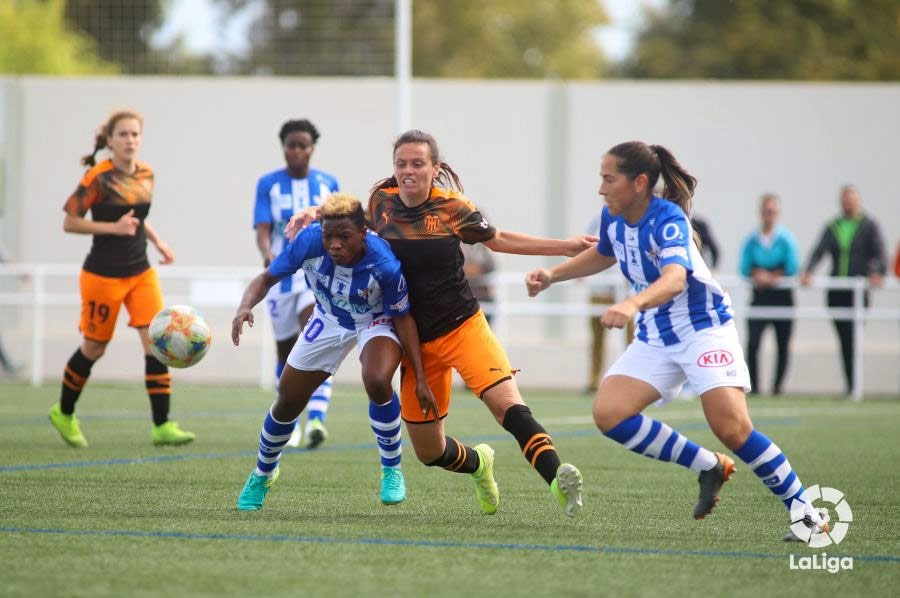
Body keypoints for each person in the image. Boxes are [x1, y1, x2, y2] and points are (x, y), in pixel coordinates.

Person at [526, 141, 829, 541]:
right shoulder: (612, 218)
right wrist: (552, 275)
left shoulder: (667, 217)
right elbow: (604, 253)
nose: (601, 188)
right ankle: (707, 466)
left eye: (608, 178)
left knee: (733, 427)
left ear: (638, 183)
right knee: (609, 413)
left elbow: (675, 279)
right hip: (657, 333)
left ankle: (808, 514)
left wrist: (632, 303)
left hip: (703, 329)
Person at [360, 130, 588, 517]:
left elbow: (497, 240)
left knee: (506, 406)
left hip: (463, 325)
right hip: (415, 341)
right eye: (402, 163)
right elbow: (354, 234)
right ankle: (480, 465)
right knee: (429, 452)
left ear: (435, 168)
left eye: (418, 163)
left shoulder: (453, 206)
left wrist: (564, 246)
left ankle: (558, 479)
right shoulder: (381, 201)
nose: (408, 171)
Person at [233, 193, 432, 509]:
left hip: (374, 319)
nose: (335, 244)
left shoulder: (384, 264)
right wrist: (244, 306)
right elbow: (268, 277)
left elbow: (403, 317)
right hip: (328, 317)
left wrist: (420, 377)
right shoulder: (309, 241)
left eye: (344, 237)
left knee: (377, 380)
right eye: (329, 236)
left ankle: (391, 468)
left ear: (363, 233)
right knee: (287, 399)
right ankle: (262, 473)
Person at [49, 110, 194, 448]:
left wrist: (159, 242)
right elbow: (70, 221)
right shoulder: (97, 178)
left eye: (135, 135)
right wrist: (111, 228)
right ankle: (64, 412)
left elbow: (138, 218)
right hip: (102, 275)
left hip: (141, 272)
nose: (130, 140)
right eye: (123, 135)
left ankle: (162, 425)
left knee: (157, 344)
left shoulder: (147, 174)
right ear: (110, 140)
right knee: (95, 347)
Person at [254, 119, 339, 448]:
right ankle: (287, 420)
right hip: (282, 278)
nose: (298, 151)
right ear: (284, 147)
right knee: (286, 353)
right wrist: (267, 254)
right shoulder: (268, 184)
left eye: (303, 145)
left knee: (314, 339)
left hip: (315, 276)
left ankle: (316, 419)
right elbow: (262, 227)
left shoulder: (328, 183)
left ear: (312, 148)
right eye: (292, 145)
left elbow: (341, 223)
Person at [800, 185, 887, 395]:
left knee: (853, 338)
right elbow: (818, 251)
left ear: (858, 201)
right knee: (844, 339)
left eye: (851, 200)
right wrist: (808, 270)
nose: (848, 204)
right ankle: (851, 385)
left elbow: (880, 253)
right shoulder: (833, 226)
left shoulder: (869, 225)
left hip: (858, 292)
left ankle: (854, 386)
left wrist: (878, 272)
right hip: (837, 292)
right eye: (845, 201)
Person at [739, 194, 800, 395]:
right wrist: (758, 274)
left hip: (782, 297)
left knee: (782, 344)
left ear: (778, 213)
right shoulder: (752, 240)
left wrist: (772, 276)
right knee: (753, 343)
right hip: (760, 296)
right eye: (766, 210)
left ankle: (777, 388)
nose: (769, 214)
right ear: (761, 212)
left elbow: (792, 266)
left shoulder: (786, 239)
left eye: (773, 211)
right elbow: (744, 266)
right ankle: (754, 387)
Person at [584, 212, 633, 394]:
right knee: (596, 338)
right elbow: (587, 251)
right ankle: (594, 379)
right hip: (598, 290)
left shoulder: (632, 220)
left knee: (631, 338)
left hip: (625, 292)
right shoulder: (594, 222)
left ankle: (632, 379)